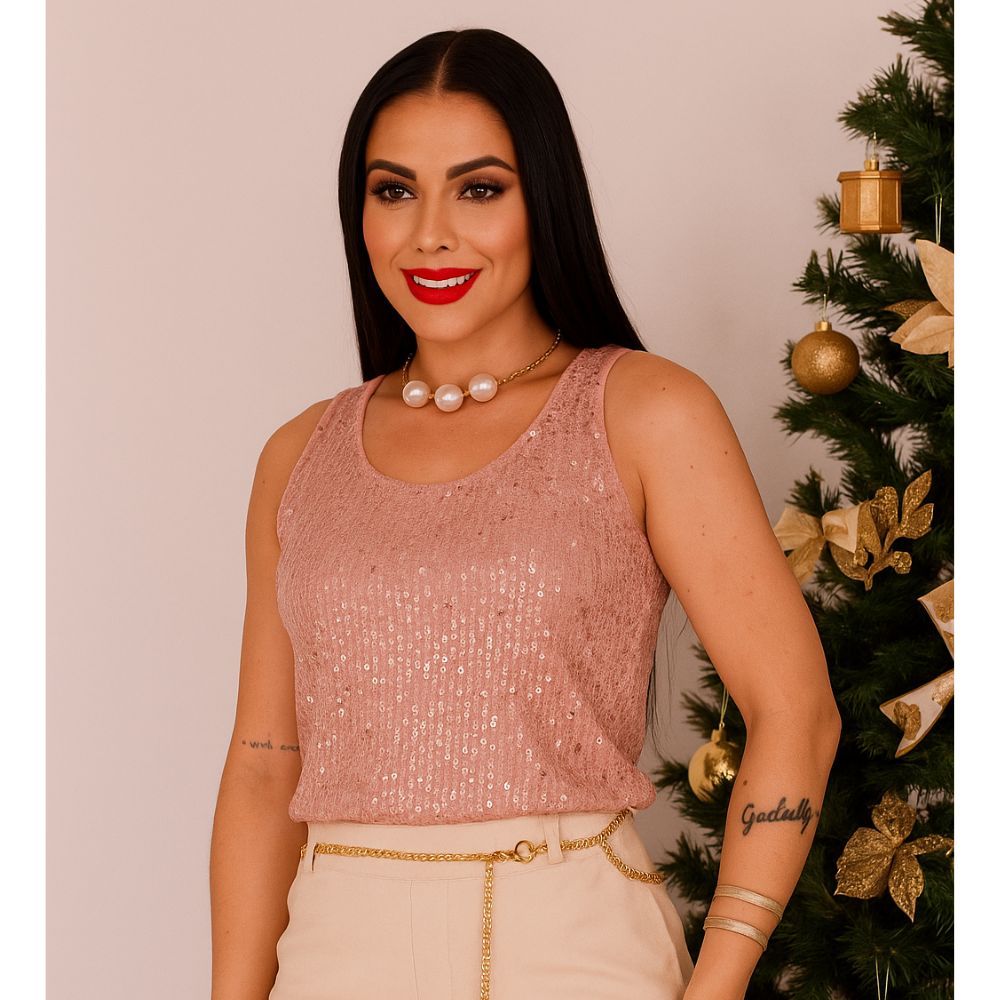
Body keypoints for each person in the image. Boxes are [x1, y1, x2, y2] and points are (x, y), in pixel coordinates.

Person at [209, 27, 841, 1000]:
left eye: (478, 189)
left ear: (542, 198)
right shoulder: (298, 456)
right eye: (393, 191)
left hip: (572, 948)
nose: (430, 234)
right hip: (334, 950)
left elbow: (794, 711)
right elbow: (263, 767)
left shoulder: (644, 413)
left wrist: (716, 986)